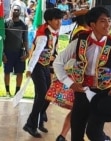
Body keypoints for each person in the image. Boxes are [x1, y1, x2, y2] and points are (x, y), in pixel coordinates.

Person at [53, 6, 111, 141]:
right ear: (92, 25)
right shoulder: (79, 41)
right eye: (103, 21)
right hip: (81, 92)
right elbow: (58, 62)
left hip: (102, 95)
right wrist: (69, 83)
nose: (108, 25)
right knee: (76, 133)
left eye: (109, 21)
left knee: (93, 132)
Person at [23, 8, 63, 138]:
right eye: (56, 19)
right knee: (42, 95)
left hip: (45, 66)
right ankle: (31, 124)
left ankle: (40, 118)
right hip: (37, 67)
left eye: (60, 19)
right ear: (49, 21)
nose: (59, 22)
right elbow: (35, 54)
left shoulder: (54, 31)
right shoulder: (43, 36)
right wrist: (29, 69)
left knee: (48, 94)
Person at [55, 9, 90, 141]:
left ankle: (63, 136)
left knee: (78, 109)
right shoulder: (82, 33)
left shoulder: (78, 29)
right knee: (79, 109)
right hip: (77, 75)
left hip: (74, 73)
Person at [3, 5, 28, 97]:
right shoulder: (6, 23)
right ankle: (7, 92)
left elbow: (25, 40)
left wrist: (27, 53)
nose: (16, 11)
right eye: (14, 10)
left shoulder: (23, 25)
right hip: (8, 52)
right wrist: (2, 53)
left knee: (20, 73)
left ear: (20, 12)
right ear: (11, 11)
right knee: (6, 72)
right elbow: (1, 39)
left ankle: (17, 92)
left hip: (19, 53)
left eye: (18, 10)